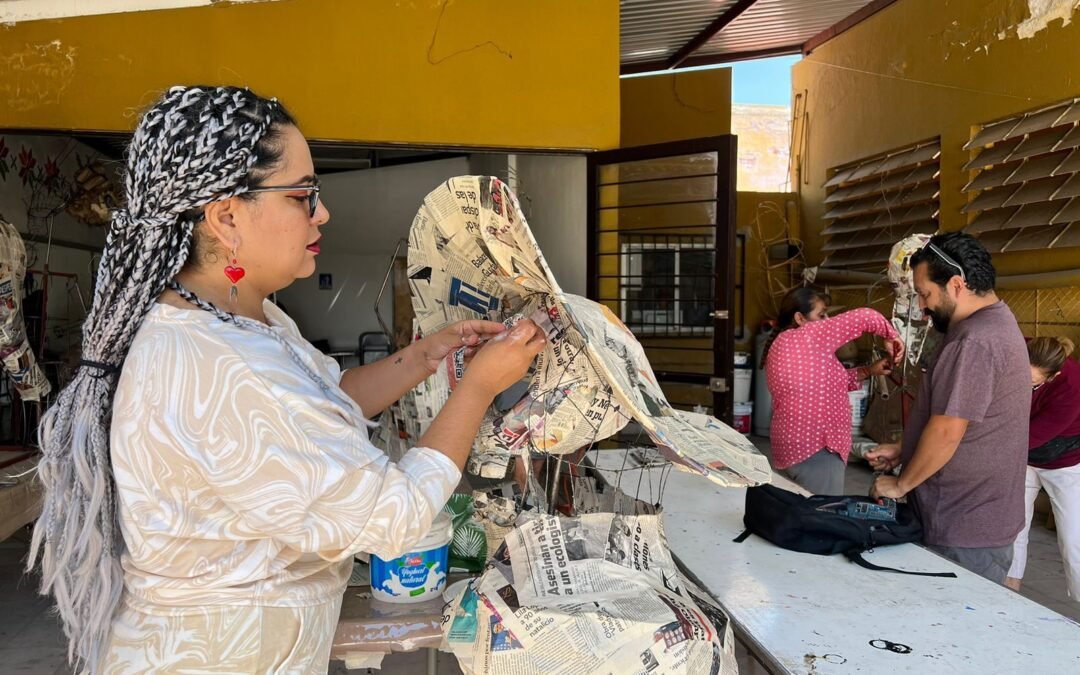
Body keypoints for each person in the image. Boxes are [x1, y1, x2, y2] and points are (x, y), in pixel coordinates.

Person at [28, 86, 546, 673]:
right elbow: (393, 517)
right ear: (226, 217)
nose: (322, 212)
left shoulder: (243, 317)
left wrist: (423, 356)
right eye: (304, 195)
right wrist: (476, 388)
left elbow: (330, 396)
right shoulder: (220, 362)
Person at [868, 232, 1029, 584]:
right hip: (974, 520)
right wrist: (904, 449)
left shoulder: (976, 342)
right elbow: (971, 420)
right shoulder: (993, 322)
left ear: (956, 284)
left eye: (925, 294)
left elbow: (947, 431)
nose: (923, 308)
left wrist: (901, 485)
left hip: (964, 527)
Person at [764, 287, 903, 495]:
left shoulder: (781, 345)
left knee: (801, 512)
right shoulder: (809, 336)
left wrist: (868, 371)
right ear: (800, 318)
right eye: (821, 315)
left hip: (791, 448)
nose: (827, 320)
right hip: (817, 448)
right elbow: (866, 316)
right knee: (821, 516)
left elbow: (824, 385)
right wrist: (891, 335)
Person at [1006, 336, 1080, 599]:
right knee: (1013, 529)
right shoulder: (1016, 347)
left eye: (1031, 382)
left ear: (1053, 377)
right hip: (1021, 458)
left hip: (1063, 462)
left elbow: (1027, 438)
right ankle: (1008, 595)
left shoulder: (1072, 385)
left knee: (1074, 540)